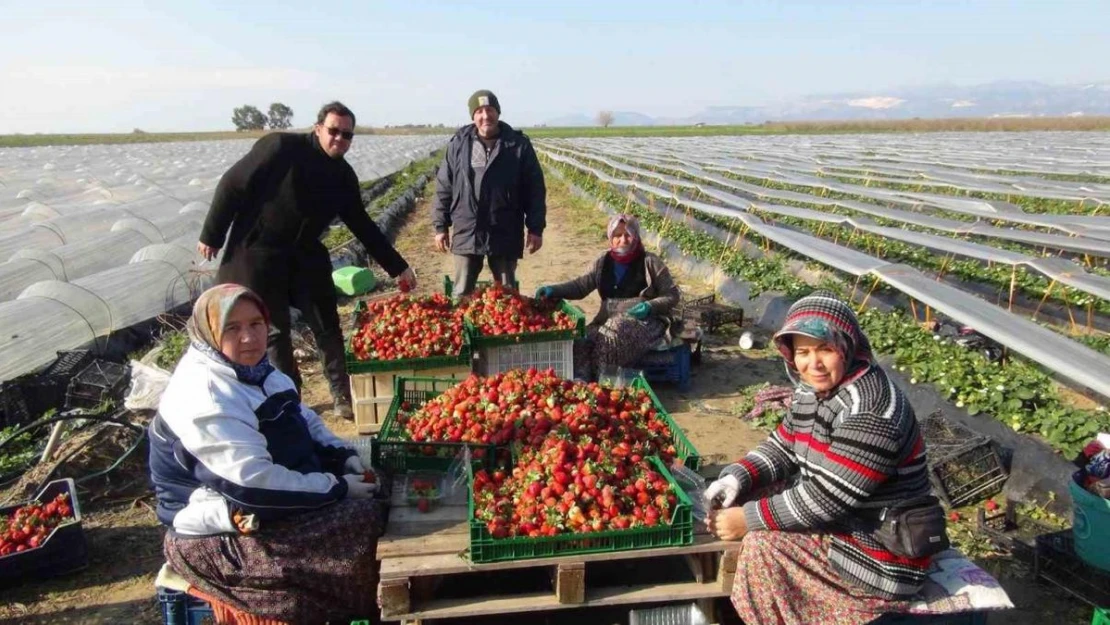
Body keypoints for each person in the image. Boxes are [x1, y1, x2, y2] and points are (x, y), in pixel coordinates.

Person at [148, 284, 384, 624]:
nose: (249, 337)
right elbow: (254, 486)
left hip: (266, 503)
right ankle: (358, 607)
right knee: (363, 524)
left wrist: (341, 455)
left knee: (383, 484)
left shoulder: (257, 371)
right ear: (209, 332)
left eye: (256, 324)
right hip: (223, 529)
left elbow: (304, 419)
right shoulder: (206, 395)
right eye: (232, 327)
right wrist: (338, 487)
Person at [703, 292, 936, 625]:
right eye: (803, 352)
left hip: (884, 549)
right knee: (750, 492)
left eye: (826, 349)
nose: (813, 364)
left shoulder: (870, 411)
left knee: (762, 546)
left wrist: (748, 519)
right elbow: (784, 445)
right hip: (846, 522)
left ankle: (785, 612)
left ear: (848, 346)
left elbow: (828, 498)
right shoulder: (811, 388)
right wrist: (736, 476)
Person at [197, 101, 417, 419]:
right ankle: (292, 401)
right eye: (333, 131)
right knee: (275, 332)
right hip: (260, 251)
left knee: (326, 323)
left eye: (347, 135)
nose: (339, 139)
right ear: (318, 128)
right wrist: (212, 235)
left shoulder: (342, 176)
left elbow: (363, 225)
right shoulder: (281, 148)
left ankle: (342, 395)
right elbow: (232, 184)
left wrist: (398, 267)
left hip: (304, 252)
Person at [534, 214, 679, 381]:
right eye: (617, 235)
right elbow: (581, 286)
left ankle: (603, 383)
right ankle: (582, 382)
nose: (623, 239)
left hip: (645, 323)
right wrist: (554, 289)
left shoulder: (650, 261)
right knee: (583, 338)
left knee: (611, 336)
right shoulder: (603, 261)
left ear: (636, 236)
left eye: (628, 234)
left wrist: (650, 306)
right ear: (611, 237)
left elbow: (672, 295)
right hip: (607, 319)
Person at [432, 89, 546, 297]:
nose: (486, 116)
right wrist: (440, 226)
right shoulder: (459, 144)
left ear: (498, 112)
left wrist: (535, 228)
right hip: (468, 227)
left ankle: (506, 329)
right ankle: (465, 328)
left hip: (504, 227)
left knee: (505, 294)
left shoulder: (518, 145)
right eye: (480, 111)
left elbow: (535, 189)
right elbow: (444, 186)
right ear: (473, 116)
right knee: (462, 291)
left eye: (490, 110)